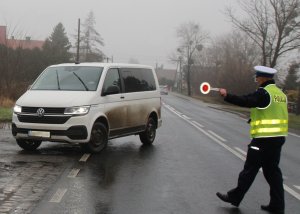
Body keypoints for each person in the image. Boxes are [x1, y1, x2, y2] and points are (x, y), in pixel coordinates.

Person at [216, 66, 288, 214]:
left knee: (249, 169)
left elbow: (246, 100)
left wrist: (226, 95)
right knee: (273, 173)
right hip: (278, 138)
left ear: (263, 78)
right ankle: (277, 205)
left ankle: (234, 197)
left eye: (257, 77)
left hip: (263, 140)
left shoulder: (263, 93)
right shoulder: (280, 94)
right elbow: (272, 113)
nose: (256, 79)